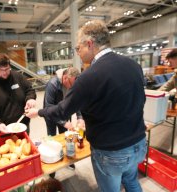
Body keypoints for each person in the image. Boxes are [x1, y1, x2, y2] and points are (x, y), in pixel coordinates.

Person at [25, 20, 147, 192]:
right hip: (139, 144)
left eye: (78, 48)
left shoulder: (90, 76)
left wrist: (38, 111)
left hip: (112, 151)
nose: (78, 53)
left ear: (89, 44)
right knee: (132, 182)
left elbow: (62, 110)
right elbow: (140, 100)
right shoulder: (134, 65)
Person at [0, 53, 36, 134]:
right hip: (0, 128)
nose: (5, 73)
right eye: (1, 70)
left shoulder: (17, 76)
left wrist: (30, 98)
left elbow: (29, 89)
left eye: (7, 69)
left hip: (21, 125)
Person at [44, 67, 85, 135]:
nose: (72, 87)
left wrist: (80, 117)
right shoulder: (52, 84)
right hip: (51, 115)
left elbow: (76, 100)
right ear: (65, 77)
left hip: (64, 114)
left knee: (65, 135)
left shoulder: (73, 82)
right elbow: (48, 107)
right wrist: (63, 122)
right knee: (51, 136)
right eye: (71, 84)